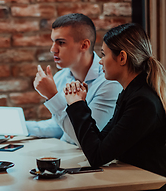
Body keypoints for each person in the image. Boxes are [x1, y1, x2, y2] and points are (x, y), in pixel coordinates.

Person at [64, 23, 166, 181]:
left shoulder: (143, 102)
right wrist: (79, 103)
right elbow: (100, 143)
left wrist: (77, 105)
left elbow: (97, 156)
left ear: (122, 57)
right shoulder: (130, 93)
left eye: (104, 54)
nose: (100, 61)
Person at [28, 13, 122, 146]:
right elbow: (60, 126)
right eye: (53, 42)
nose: (52, 49)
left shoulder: (109, 82)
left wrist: (52, 96)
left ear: (84, 45)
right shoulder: (61, 77)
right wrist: (19, 127)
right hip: (67, 155)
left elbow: (86, 139)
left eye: (61, 43)